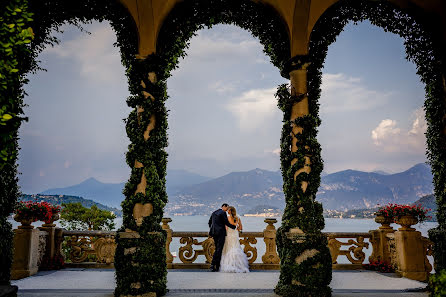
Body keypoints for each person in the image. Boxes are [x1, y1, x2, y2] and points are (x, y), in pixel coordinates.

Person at [219, 206, 249, 273]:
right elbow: (240, 228)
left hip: (229, 235)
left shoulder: (227, 218)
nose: (227, 211)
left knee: (228, 249)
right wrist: (237, 228)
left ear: (230, 211)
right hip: (235, 235)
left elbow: (225, 228)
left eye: (228, 211)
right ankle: (238, 265)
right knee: (235, 247)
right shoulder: (237, 217)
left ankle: (229, 264)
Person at [208, 203, 237, 272]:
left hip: (214, 233)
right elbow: (226, 222)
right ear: (224, 207)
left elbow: (209, 222)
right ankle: (213, 265)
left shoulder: (214, 212)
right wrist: (234, 227)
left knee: (217, 249)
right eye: (226, 208)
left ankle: (217, 266)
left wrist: (213, 229)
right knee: (219, 249)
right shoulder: (223, 213)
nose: (227, 210)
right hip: (221, 233)